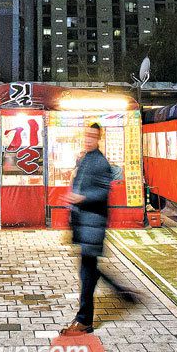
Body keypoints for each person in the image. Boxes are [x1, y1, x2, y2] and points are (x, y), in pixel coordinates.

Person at [61, 123, 139, 336]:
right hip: (83, 224)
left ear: (99, 139)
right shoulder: (85, 158)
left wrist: (80, 198)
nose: (88, 139)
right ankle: (122, 292)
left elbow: (103, 193)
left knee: (87, 273)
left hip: (93, 225)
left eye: (93, 136)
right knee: (89, 270)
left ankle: (84, 320)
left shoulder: (100, 162)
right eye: (86, 135)